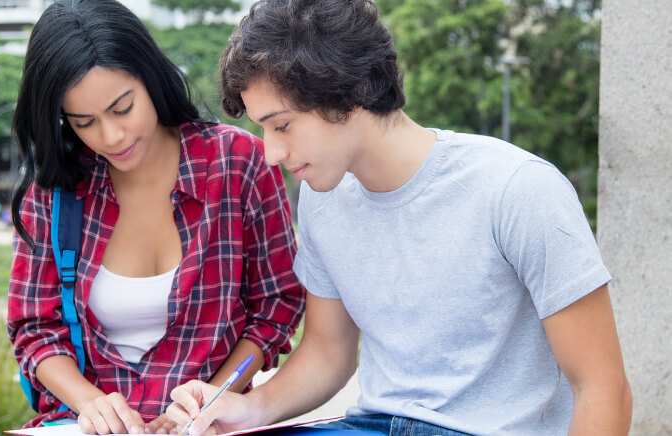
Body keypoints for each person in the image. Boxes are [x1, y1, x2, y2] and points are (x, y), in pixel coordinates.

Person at [166, 1, 632, 435]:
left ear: (349, 94)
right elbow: (329, 351)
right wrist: (245, 407)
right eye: (262, 129)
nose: (270, 153)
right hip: (374, 424)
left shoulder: (518, 188)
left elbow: (602, 387)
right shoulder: (322, 199)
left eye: (282, 125)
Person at [6, 0, 305, 434]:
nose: (112, 136)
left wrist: (213, 401)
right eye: (84, 122)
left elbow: (276, 309)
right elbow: (35, 327)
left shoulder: (237, 164)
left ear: (150, 77)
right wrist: (93, 406)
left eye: (122, 108)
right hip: (80, 426)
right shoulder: (55, 188)